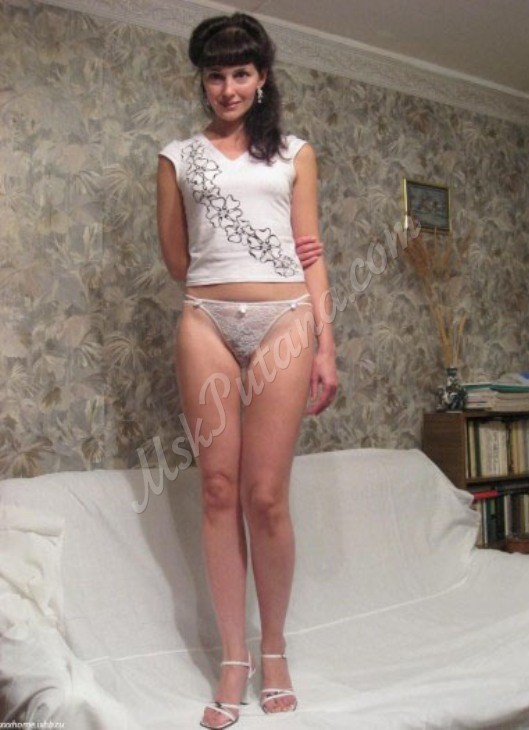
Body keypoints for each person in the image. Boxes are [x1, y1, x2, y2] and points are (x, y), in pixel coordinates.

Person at [157, 12, 337, 729]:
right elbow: (178, 258)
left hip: (286, 323)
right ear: (202, 80)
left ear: (262, 78)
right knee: (218, 490)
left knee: (265, 496)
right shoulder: (177, 157)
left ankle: (275, 650)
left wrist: (324, 345)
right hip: (205, 321)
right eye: (215, 74)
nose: (227, 87)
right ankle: (233, 658)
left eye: (240, 73)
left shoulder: (295, 153)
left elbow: (310, 250)